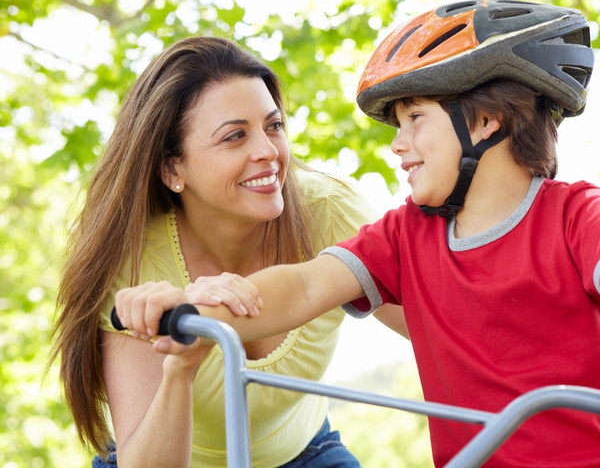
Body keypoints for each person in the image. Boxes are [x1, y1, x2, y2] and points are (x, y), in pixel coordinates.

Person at [115, 0, 600, 466]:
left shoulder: (578, 215)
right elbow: (299, 289)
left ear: (484, 120)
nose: (398, 144)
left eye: (416, 119)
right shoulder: (404, 237)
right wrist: (196, 310)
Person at [50, 36, 406, 468]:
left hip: (305, 452)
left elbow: (436, 327)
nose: (268, 152)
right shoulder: (135, 262)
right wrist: (181, 368)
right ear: (172, 168)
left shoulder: (330, 211)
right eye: (235, 136)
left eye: (273, 126)